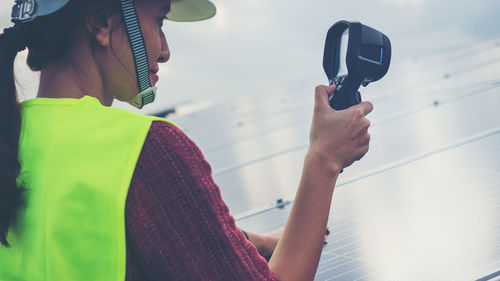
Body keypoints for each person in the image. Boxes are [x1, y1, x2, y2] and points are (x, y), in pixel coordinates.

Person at [0, 0, 373, 280]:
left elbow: (79, 229)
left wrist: (254, 243)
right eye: (159, 21)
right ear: (102, 22)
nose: (164, 49)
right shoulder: (145, 151)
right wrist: (324, 159)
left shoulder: (11, 140)